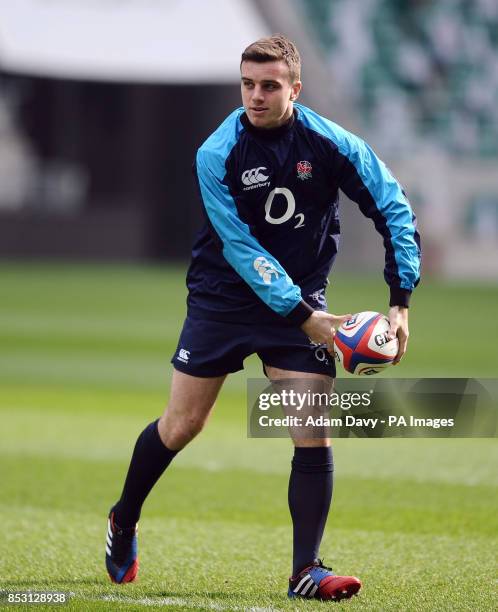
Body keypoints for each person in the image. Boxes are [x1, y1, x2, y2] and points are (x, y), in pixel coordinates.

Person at [105, 34, 420, 601]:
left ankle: (307, 569)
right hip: (223, 299)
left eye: (269, 85)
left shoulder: (330, 142)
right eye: (248, 84)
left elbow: (391, 203)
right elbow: (239, 244)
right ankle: (122, 521)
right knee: (182, 426)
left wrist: (400, 302)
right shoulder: (216, 152)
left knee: (312, 431)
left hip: (299, 303)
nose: (255, 95)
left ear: (295, 89)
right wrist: (308, 317)